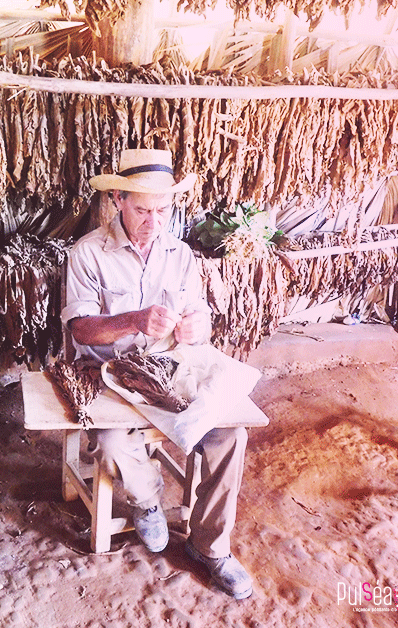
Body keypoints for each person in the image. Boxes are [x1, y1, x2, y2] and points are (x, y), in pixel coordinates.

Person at [60, 149, 253, 600]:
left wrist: (197, 326)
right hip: (106, 368)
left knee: (231, 433)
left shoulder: (181, 254)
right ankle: (147, 499)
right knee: (111, 441)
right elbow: (80, 327)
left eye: (163, 210)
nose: (153, 221)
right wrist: (133, 320)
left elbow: (199, 312)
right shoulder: (88, 253)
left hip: (168, 366)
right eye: (143, 210)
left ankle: (211, 548)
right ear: (119, 200)